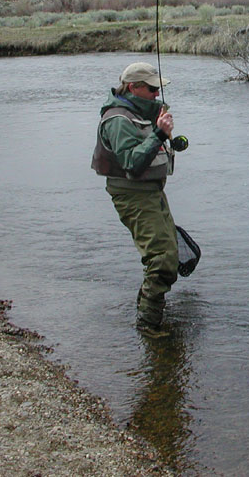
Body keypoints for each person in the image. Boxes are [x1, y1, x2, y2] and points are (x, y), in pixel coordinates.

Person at [91, 62, 179, 338]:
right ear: (133, 87)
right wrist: (159, 133)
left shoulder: (137, 111)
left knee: (170, 252)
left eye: (158, 89)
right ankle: (148, 325)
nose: (157, 94)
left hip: (151, 192)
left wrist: (159, 129)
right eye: (152, 89)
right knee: (162, 259)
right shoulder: (118, 120)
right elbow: (132, 163)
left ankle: (144, 305)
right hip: (133, 194)